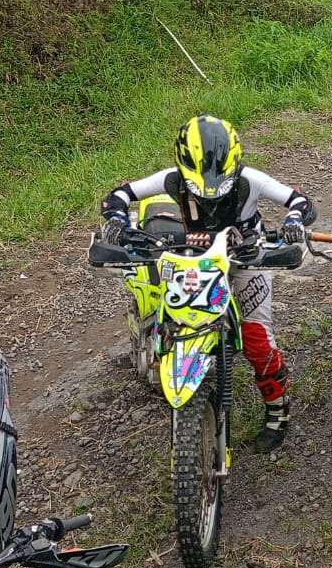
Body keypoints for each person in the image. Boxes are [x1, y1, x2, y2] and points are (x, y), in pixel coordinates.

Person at [98, 115, 316, 451]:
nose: (210, 193)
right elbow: (121, 194)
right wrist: (114, 218)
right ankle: (161, 359)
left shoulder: (249, 180)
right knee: (172, 313)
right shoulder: (172, 179)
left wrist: (293, 221)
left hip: (246, 258)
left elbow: (299, 200)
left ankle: (278, 410)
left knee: (257, 339)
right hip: (194, 256)